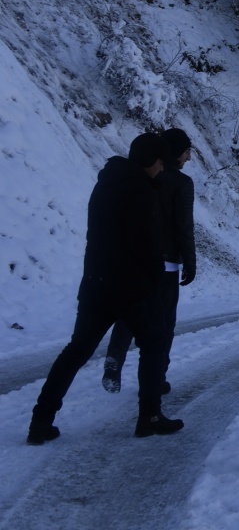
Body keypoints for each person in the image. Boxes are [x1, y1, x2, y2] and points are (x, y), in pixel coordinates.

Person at [28, 133, 182, 445]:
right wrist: (154, 276)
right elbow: (145, 242)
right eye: (160, 162)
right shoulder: (141, 190)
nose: (162, 168)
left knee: (76, 351)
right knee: (154, 344)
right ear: (150, 160)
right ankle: (150, 417)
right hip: (133, 287)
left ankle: (40, 420)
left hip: (96, 282)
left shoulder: (106, 183)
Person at [102, 126, 196, 394]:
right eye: (187, 151)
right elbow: (184, 226)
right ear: (175, 152)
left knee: (131, 312)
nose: (189, 157)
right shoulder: (181, 183)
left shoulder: (139, 176)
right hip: (165, 265)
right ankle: (157, 378)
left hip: (133, 259)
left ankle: (115, 357)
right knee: (163, 325)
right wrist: (190, 261)